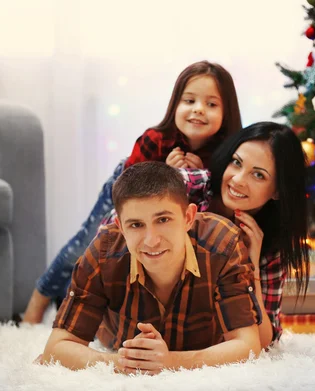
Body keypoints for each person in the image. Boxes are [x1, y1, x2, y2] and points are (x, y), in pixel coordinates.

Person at [24, 60, 242, 323]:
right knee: (86, 244)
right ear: (175, 104)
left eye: (211, 104)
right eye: (189, 101)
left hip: (170, 214)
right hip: (126, 190)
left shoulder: (224, 156)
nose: (198, 110)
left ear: (226, 112)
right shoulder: (155, 139)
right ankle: (40, 298)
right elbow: (133, 191)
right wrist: (167, 172)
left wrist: (197, 177)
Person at [41, 162, 261, 373]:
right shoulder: (103, 251)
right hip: (115, 343)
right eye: (136, 225)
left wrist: (170, 361)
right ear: (120, 227)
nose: (151, 241)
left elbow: (247, 344)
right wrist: (122, 362)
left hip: (202, 345)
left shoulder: (222, 243)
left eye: (163, 220)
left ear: (188, 217)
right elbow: (57, 348)